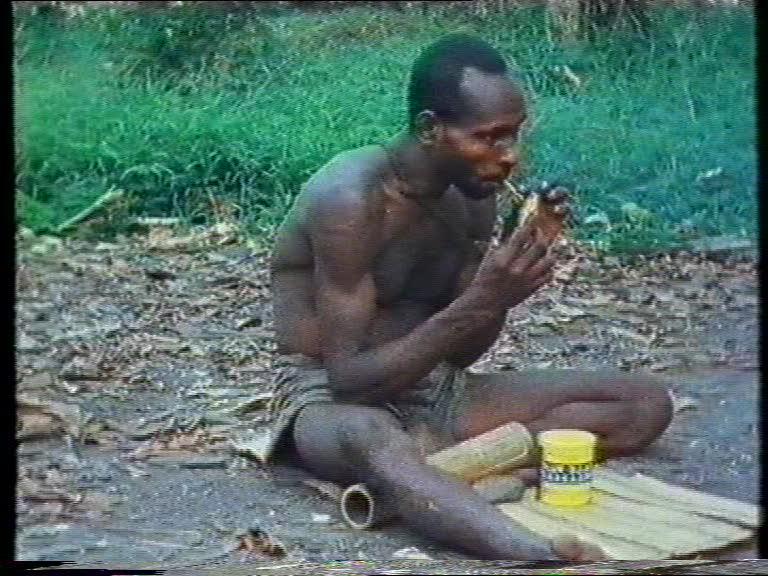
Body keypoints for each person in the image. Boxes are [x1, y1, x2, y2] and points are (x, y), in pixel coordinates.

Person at [263, 34, 673, 560]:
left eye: (515, 137)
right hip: (329, 398)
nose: (509, 158)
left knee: (642, 404)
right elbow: (350, 380)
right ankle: (533, 549)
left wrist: (506, 280)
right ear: (430, 128)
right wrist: (483, 297)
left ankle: (465, 472)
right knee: (373, 437)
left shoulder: (473, 200)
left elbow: (461, 354)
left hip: (433, 388)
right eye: (490, 138)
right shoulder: (350, 200)